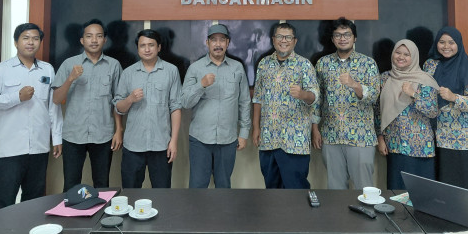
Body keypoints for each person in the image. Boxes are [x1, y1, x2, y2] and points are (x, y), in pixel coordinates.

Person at [0, 23, 62, 210]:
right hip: (10, 148)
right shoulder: (1, 69)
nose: (31, 42)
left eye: (35, 38)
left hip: (39, 146)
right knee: (5, 200)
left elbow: (53, 106)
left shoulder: (47, 69)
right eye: (26, 38)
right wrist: (17, 97)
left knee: (34, 200)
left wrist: (56, 137)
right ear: (16, 42)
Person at [52, 19, 122, 191]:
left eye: (99, 36)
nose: (94, 40)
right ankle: (71, 210)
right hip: (73, 135)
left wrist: (119, 130)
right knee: (71, 185)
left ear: (105, 40)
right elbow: (56, 99)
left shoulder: (114, 65)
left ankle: (102, 210)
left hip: (103, 134)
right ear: (82, 40)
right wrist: (70, 79)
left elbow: (118, 101)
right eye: (89, 36)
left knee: (102, 184)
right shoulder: (69, 64)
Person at [312, 17, 380, 189]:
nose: (342, 38)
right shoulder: (323, 64)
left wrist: (355, 85)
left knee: (363, 189)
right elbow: (317, 99)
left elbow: (374, 96)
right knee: (335, 189)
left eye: (347, 34)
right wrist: (315, 129)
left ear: (354, 38)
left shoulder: (368, 64)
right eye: (338, 35)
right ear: (332, 39)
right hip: (331, 136)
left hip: (361, 137)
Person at [181, 24, 251, 188]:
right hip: (200, 139)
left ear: (228, 43)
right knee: (198, 187)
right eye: (214, 40)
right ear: (207, 43)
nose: (218, 44)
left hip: (228, 139)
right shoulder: (195, 68)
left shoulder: (237, 67)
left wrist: (244, 133)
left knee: (223, 186)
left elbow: (244, 101)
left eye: (222, 40)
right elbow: (185, 102)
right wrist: (201, 85)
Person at [423, 27, 468, 200]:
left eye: (451, 42)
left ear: (458, 44)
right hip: (437, 135)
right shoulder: (430, 65)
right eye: (442, 42)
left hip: (462, 139)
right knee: (442, 185)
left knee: (462, 187)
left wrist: (454, 97)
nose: (446, 46)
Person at [252, 22, 319, 189]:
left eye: (288, 37)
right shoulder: (264, 64)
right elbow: (258, 98)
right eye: (280, 37)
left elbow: (314, 97)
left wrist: (303, 94)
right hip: (269, 138)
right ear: (273, 40)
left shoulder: (304, 65)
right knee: (272, 189)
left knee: (296, 190)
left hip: (295, 141)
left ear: (295, 41)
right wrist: (256, 127)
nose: (284, 40)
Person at [113, 29, 182, 188]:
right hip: (133, 145)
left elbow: (176, 107)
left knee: (162, 193)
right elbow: (118, 107)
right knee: (131, 192)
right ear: (137, 48)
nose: (147, 49)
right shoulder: (128, 73)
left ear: (159, 47)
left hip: (161, 145)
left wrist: (173, 141)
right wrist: (130, 99)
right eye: (142, 45)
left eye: (151, 45)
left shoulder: (171, 71)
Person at [375, 39, 439, 190]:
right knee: (397, 192)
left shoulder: (424, 79)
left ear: (414, 57)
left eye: (406, 54)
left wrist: (413, 94)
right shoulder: (385, 78)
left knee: (422, 192)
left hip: (421, 147)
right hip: (395, 145)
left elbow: (432, 111)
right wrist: (380, 137)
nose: (401, 57)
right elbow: (378, 110)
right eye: (398, 52)